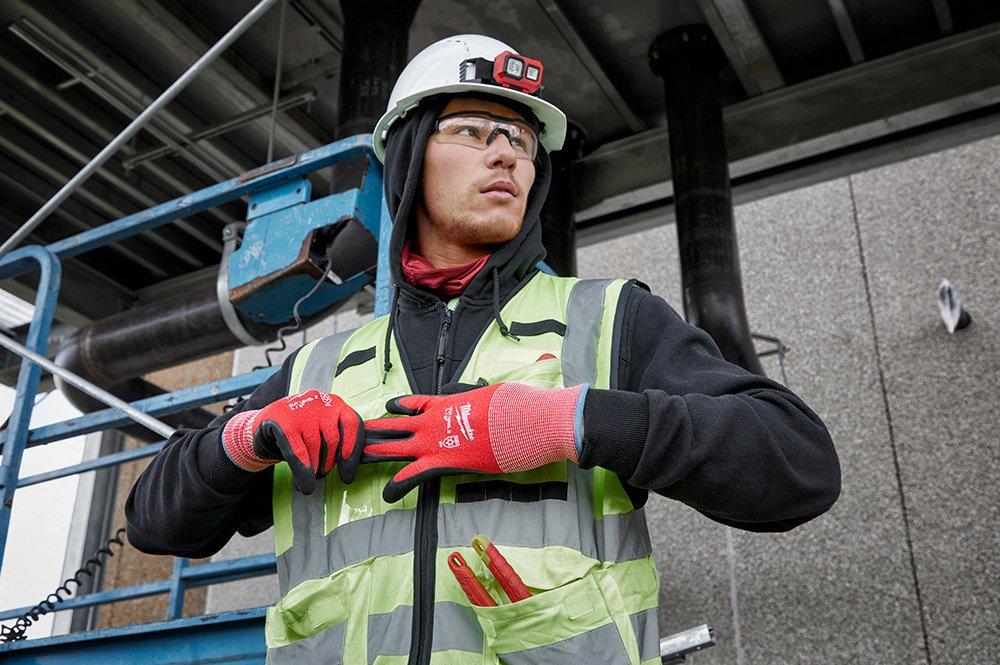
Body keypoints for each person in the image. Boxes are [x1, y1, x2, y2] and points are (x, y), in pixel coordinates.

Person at [126, 34, 840, 665]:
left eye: (521, 142)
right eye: (471, 131)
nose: (506, 153)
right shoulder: (323, 369)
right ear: (408, 156)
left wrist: (569, 422)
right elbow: (154, 522)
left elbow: (800, 464)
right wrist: (244, 438)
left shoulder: (608, 319)